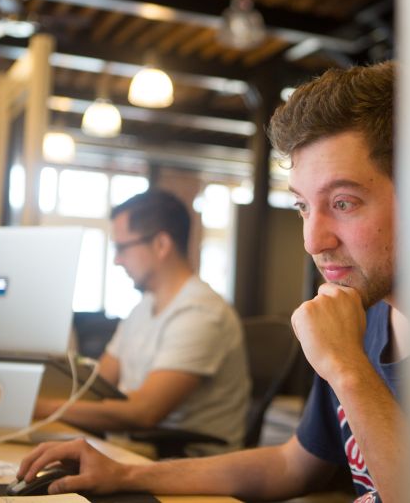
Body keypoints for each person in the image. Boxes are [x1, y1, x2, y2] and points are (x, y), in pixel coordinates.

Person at [18, 61, 407, 502]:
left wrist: (347, 369)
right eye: (302, 206)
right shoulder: (364, 320)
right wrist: (124, 475)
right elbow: (290, 465)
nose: (313, 240)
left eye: (343, 202)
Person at [34, 189, 251, 456]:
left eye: (122, 247)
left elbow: (143, 412)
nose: (116, 259)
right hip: (138, 449)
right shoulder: (143, 308)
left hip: (181, 461)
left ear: (161, 244)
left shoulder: (202, 313)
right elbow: (95, 384)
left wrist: (38, 407)